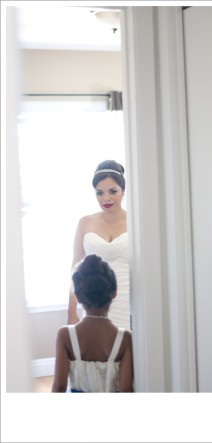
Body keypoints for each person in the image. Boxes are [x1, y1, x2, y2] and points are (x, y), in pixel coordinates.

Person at [53, 254, 133, 392]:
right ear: (114, 292)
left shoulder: (65, 335)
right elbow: (126, 389)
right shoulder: (125, 339)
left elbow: (59, 386)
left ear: (77, 296)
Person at [67, 160, 130, 330]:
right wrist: (72, 311)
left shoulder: (136, 221)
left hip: (130, 302)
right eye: (99, 193)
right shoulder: (85, 223)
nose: (106, 198)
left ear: (123, 191)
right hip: (94, 302)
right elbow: (76, 267)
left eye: (113, 191)